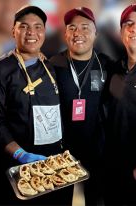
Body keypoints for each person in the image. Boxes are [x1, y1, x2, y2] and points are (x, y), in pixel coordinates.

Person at [0, 5, 73, 206]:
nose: (31, 32)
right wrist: (20, 153)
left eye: (38, 27)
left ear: (44, 32)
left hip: (54, 162)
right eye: (24, 26)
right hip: (19, 164)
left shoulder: (49, 66)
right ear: (13, 31)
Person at [50, 7, 113, 206]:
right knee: (60, 200)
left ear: (96, 33)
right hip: (62, 150)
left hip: (97, 148)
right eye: (72, 27)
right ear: (65, 33)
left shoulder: (107, 65)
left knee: (96, 199)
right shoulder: (53, 64)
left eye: (85, 27)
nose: (78, 33)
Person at [103, 3, 136, 206]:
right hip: (112, 171)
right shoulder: (115, 67)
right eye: (129, 23)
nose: (135, 28)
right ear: (121, 32)